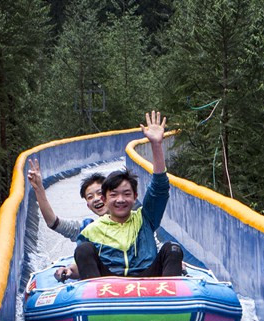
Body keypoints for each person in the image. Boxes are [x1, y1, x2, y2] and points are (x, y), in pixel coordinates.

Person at [72, 110, 183, 279]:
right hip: (107, 282)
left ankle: (171, 301)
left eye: (126, 194)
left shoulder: (144, 219)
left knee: (173, 249)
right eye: (114, 195)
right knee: (83, 249)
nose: (121, 200)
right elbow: (84, 263)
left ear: (135, 196)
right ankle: (95, 302)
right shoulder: (91, 231)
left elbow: (159, 189)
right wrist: (68, 271)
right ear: (104, 199)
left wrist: (156, 146)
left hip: (147, 278)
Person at [27, 158, 105, 241]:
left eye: (100, 193)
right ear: (88, 206)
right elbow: (53, 222)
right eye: (90, 197)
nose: (96, 199)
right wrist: (39, 189)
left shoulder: (120, 223)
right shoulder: (87, 229)